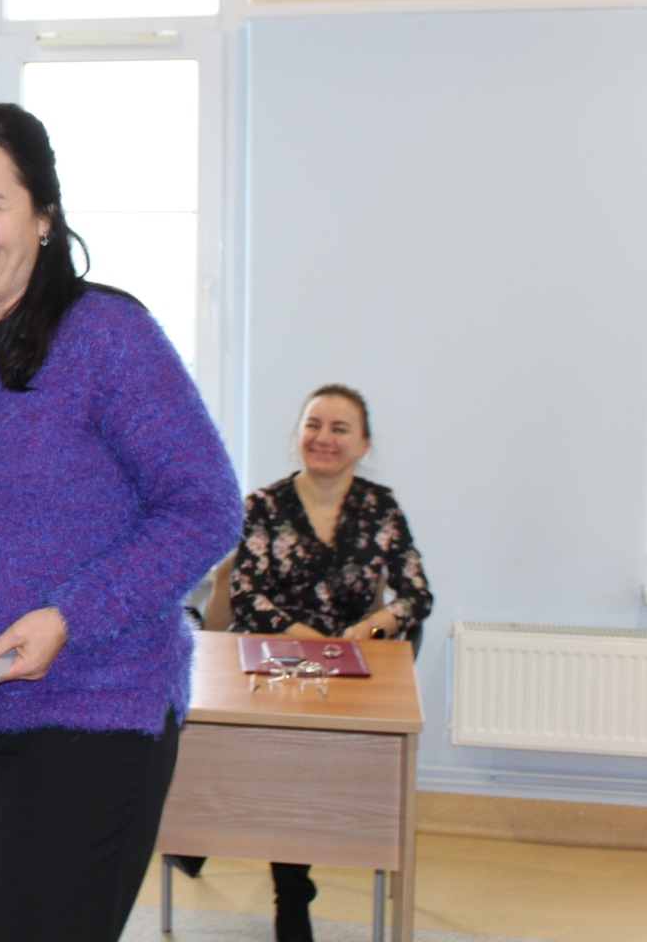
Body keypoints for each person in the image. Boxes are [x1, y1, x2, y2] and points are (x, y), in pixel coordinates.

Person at [0, 102, 243, 942]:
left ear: (44, 216)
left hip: (94, 706)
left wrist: (70, 615)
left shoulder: (110, 337)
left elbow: (205, 508)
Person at [227, 383, 433, 942]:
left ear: (363, 444)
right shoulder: (263, 506)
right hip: (276, 662)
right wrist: (309, 642)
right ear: (299, 435)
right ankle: (292, 896)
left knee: (310, 766)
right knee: (288, 762)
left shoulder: (381, 508)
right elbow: (246, 596)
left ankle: (268, 871)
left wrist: (369, 629)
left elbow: (416, 596)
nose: (324, 438)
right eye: (313, 425)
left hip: (349, 664)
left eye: (340, 428)